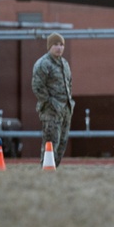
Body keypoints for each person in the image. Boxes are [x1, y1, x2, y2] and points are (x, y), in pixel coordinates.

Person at [31, 32, 74, 167]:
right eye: (56, 44)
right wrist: (50, 103)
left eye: (61, 45)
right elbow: (37, 86)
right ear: (49, 46)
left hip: (65, 110)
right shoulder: (43, 64)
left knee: (62, 143)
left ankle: (55, 169)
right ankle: (46, 170)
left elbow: (69, 84)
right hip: (51, 111)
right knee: (50, 143)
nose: (59, 48)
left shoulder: (64, 64)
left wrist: (69, 104)